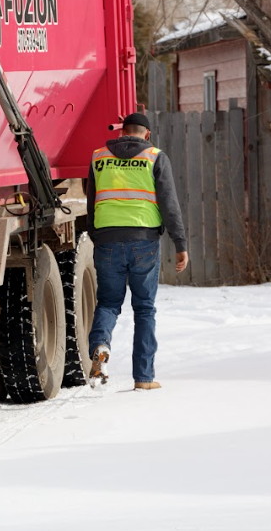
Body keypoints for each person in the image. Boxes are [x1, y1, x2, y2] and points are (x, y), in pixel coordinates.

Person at [86, 112, 188, 390]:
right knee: (144, 309)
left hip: (107, 238)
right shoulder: (155, 156)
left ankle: (100, 348)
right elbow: (169, 203)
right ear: (147, 134)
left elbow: (91, 200)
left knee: (108, 303)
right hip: (144, 240)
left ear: (122, 132)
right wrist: (180, 244)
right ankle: (143, 378)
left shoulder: (98, 157)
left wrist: (97, 237)